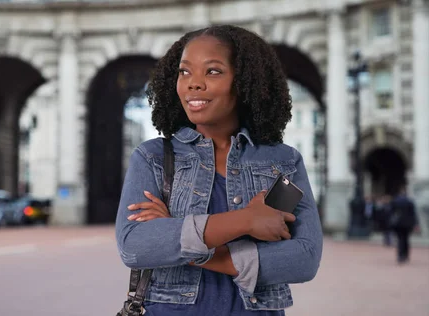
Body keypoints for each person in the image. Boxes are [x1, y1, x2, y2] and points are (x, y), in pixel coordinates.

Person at [115, 25, 323, 315]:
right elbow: (135, 246)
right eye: (184, 72)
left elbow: (303, 259)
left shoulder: (283, 162)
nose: (193, 83)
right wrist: (246, 220)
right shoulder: (152, 158)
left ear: (245, 81)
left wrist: (180, 240)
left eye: (212, 71)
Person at [389, 187, 418, 264]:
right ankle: (406, 255)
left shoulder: (395, 201)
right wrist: (415, 224)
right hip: (407, 224)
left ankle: (400, 255)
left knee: (400, 240)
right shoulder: (409, 201)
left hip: (398, 224)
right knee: (406, 239)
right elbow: (413, 214)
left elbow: (391, 213)